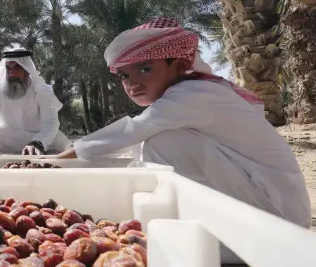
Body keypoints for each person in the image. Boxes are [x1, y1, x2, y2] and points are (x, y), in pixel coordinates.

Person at [57, 18, 311, 228]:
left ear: (179, 66)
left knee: (163, 141)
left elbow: (130, 131)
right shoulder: (191, 94)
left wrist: (56, 161)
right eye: (124, 75)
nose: (132, 83)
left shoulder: (194, 93)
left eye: (145, 69)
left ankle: (215, 237)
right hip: (265, 201)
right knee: (151, 144)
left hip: (276, 215)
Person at [0, 48, 71, 155]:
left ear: (27, 70)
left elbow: (50, 122)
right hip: (10, 138)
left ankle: (36, 149)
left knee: (56, 136)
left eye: (17, 68)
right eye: (8, 68)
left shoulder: (42, 91)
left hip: (40, 139)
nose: (12, 73)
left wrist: (38, 142)